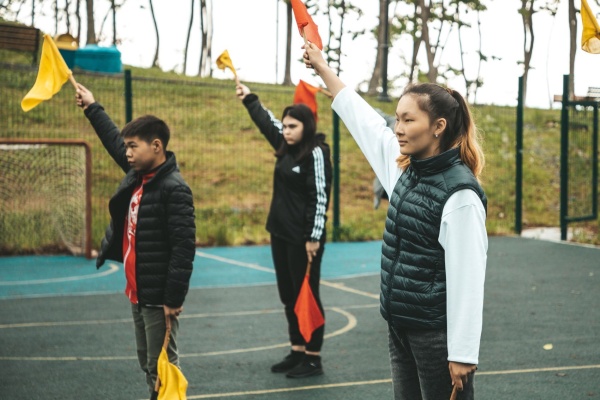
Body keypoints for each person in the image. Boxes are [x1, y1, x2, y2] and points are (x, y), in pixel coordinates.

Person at [303, 44, 488, 399]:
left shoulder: (460, 194)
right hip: (400, 326)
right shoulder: (405, 170)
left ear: (438, 127)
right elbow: (365, 122)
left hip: (435, 336)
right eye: (397, 119)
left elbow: (468, 276)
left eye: (408, 120)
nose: (398, 128)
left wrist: (463, 353)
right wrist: (323, 68)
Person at [75, 84, 196, 400]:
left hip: (158, 296)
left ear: (156, 146)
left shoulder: (174, 189)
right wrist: (92, 107)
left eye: (133, 147)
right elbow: (114, 141)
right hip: (138, 291)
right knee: (148, 362)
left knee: (162, 366)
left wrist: (173, 298)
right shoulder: (138, 176)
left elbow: (184, 248)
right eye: (126, 147)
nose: (127, 153)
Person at [236, 82, 332, 378]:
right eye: (285, 126)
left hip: (304, 240)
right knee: (288, 296)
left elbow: (319, 197)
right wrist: (249, 98)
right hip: (279, 233)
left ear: (306, 126)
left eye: (293, 126)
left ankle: (313, 357)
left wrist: (313, 238)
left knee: (307, 295)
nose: (287, 131)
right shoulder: (285, 144)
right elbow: (267, 122)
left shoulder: (316, 152)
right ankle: (297, 350)